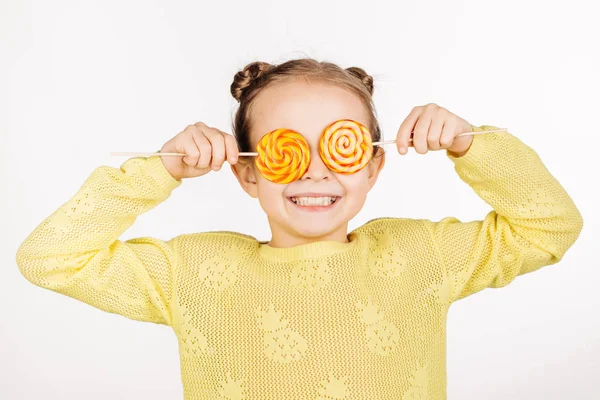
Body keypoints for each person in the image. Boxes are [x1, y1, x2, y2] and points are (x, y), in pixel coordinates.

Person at [16, 57, 584, 399]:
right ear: (247, 172)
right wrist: (160, 170)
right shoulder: (193, 273)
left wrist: (470, 144)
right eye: (288, 149)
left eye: (340, 147)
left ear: (373, 165)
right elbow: (50, 258)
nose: (315, 167)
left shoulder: (421, 255)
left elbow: (549, 228)